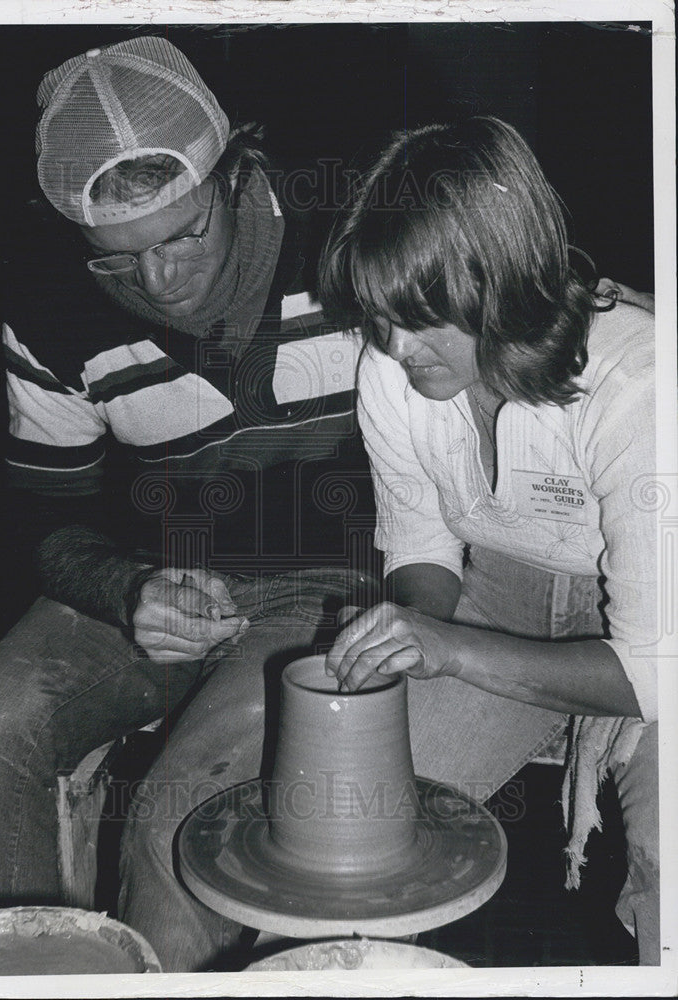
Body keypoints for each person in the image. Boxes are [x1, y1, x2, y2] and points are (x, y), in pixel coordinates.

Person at [118, 117, 658, 968]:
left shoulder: (639, 381)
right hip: (499, 595)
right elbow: (424, 552)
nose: (398, 349)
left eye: (424, 318)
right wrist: (410, 635)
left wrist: (449, 650)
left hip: (655, 636)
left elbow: (649, 671)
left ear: (506, 283)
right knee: (328, 865)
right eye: (378, 320)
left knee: (665, 878)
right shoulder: (393, 365)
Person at [0, 35, 373, 911]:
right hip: (162, 585)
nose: (157, 279)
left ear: (236, 171)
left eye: (183, 234)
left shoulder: (354, 240)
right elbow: (39, 511)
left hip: (335, 592)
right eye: (114, 254)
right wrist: (126, 587)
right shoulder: (47, 306)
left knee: (182, 824)